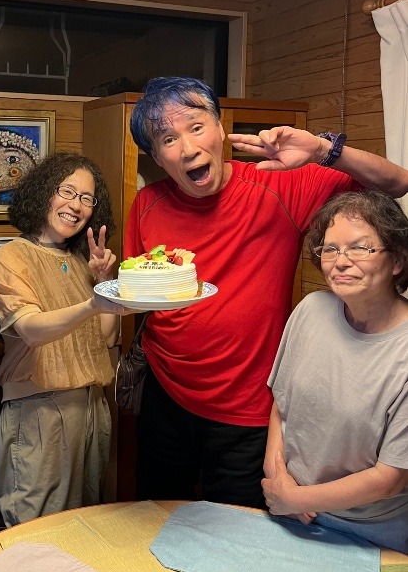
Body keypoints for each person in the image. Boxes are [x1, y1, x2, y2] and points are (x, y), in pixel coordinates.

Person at [125, 76, 408, 508]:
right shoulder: (147, 204)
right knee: (155, 513)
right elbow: (141, 289)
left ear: (220, 128)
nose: (187, 148)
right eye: (168, 139)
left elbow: (397, 184)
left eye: (196, 127)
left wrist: (322, 150)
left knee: (240, 531)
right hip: (166, 393)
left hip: (248, 407)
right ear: (156, 157)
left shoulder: (280, 184)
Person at [0, 152, 134, 526]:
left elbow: (104, 339)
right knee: (34, 530)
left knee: (84, 528)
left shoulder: (86, 261)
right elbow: (31, 329)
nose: (76, 205)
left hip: (92, 409)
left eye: (86, 198)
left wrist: (103, 282)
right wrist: (92, 302)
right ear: (43, 193)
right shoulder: (11, 256)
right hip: (39, 410)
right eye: (66, 191)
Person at [263, 191, 408, 553]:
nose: (340, 262)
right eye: (330, 249)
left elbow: (390, 478)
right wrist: (277, 477)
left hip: (370, 533)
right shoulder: (311, 310)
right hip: (290, 513)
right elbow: (282, 405)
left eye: (360, 248)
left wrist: (297, 498)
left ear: (397, 261)